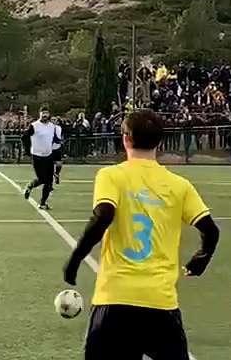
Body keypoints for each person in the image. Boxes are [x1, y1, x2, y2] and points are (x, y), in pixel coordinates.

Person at [63, 110, 220, 360]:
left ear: (125, 138)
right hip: (160, 305)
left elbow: (103, 215)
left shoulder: (111, 176)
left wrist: (75, 259)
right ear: (159, 142)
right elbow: (210, 230)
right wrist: (200, 259)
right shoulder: (180, 185)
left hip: (114, 302)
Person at [22, 108, 58, 210]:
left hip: (48, 156)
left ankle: (43, 203)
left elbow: (53, 139)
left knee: (49, 181)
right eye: (43, 113)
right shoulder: (34, 126)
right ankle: (30, 186)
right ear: (40, 114)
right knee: (42, 179)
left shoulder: (52, 126)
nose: (45, 115)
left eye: (46, 113)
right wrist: (27, 151)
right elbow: (24, 137)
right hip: (37, 156)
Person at [51, 117, 64, 184]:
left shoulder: (59, 128)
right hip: (49, 148)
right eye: (52, 120)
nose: (53, 121)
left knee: (59, 163)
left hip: (57, 148)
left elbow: (57, 137)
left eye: (54, 120)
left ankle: (57, 174)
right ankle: (54, 175)